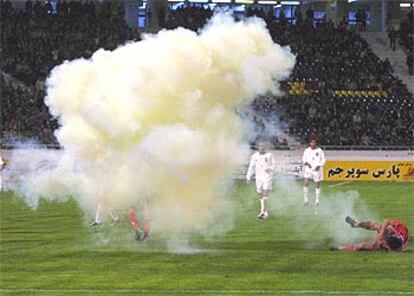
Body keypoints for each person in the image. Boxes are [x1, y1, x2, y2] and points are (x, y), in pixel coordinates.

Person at [330, 217, 409, 252]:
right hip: (396, 229)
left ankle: (339, 248)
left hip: (396, 239)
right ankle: (357, 224)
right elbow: (386, 221)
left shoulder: (397, 247)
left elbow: (403, 246)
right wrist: (380, 235)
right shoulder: (390, 231)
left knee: (362, 246)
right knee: (376, 226)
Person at [246, 142, 275, 219]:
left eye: (263, 146)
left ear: (265, 147)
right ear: (258, 147)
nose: (262, 148)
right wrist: (248, 177)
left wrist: (270, 169)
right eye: (260, 146)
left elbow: (274, 165)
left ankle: (263, 212)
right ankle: (265, 212)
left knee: (265, 193)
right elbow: (251, 167)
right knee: (260, 194)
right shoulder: (254, 156)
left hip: (267, 177)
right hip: (258, 177)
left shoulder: (269, 155)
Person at [302, 134, 325, 206]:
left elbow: (324, 159)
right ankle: (306, 200)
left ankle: (317, 201)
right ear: (310, 143)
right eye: (311, 142)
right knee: (305, 183)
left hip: (316, 170)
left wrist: (319, 165)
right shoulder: (306, 150)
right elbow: (304, 159)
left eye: (314, 142)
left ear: (316, 143)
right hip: (308, 169)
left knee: (317, 184)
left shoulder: (319, 150)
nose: (313, 144)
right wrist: (307, 163)